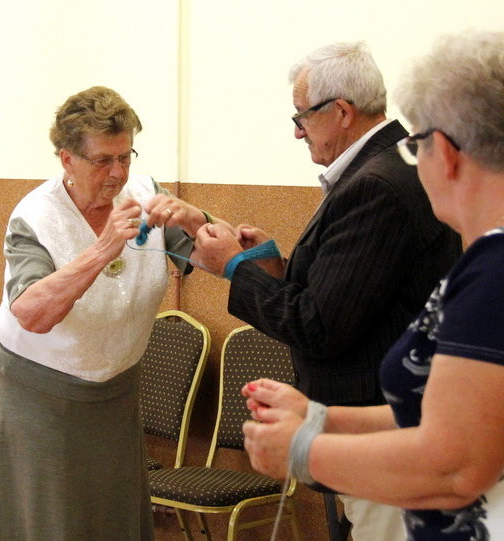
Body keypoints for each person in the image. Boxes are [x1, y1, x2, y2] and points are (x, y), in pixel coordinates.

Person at [240, 31, 504, 541]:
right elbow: (456, 413)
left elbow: (453, 467)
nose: (414, 164)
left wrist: (301, 451)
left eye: (416, 149)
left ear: (445, 153)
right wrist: (323, 418)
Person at [193, 42, 460, 540]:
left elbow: (319, 326)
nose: (296, 131)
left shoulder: (377, 184)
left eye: (302, 117)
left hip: (382, 437)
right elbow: (355, 292)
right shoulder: (392, 163)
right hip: (386, 424)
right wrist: (270, 266)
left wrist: (232, 267)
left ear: (340, 112)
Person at [0, 86, 221, 541]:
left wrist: (193, 220)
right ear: (67, 159)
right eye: (103, 160)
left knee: (112, 512)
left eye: (126, 156)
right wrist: (102, 248)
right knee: (49, 518)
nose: (118, 173)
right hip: (39, 389)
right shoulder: (34, 217)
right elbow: (33, 313)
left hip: (115, 386)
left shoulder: (144, 193)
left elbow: (213, 260)